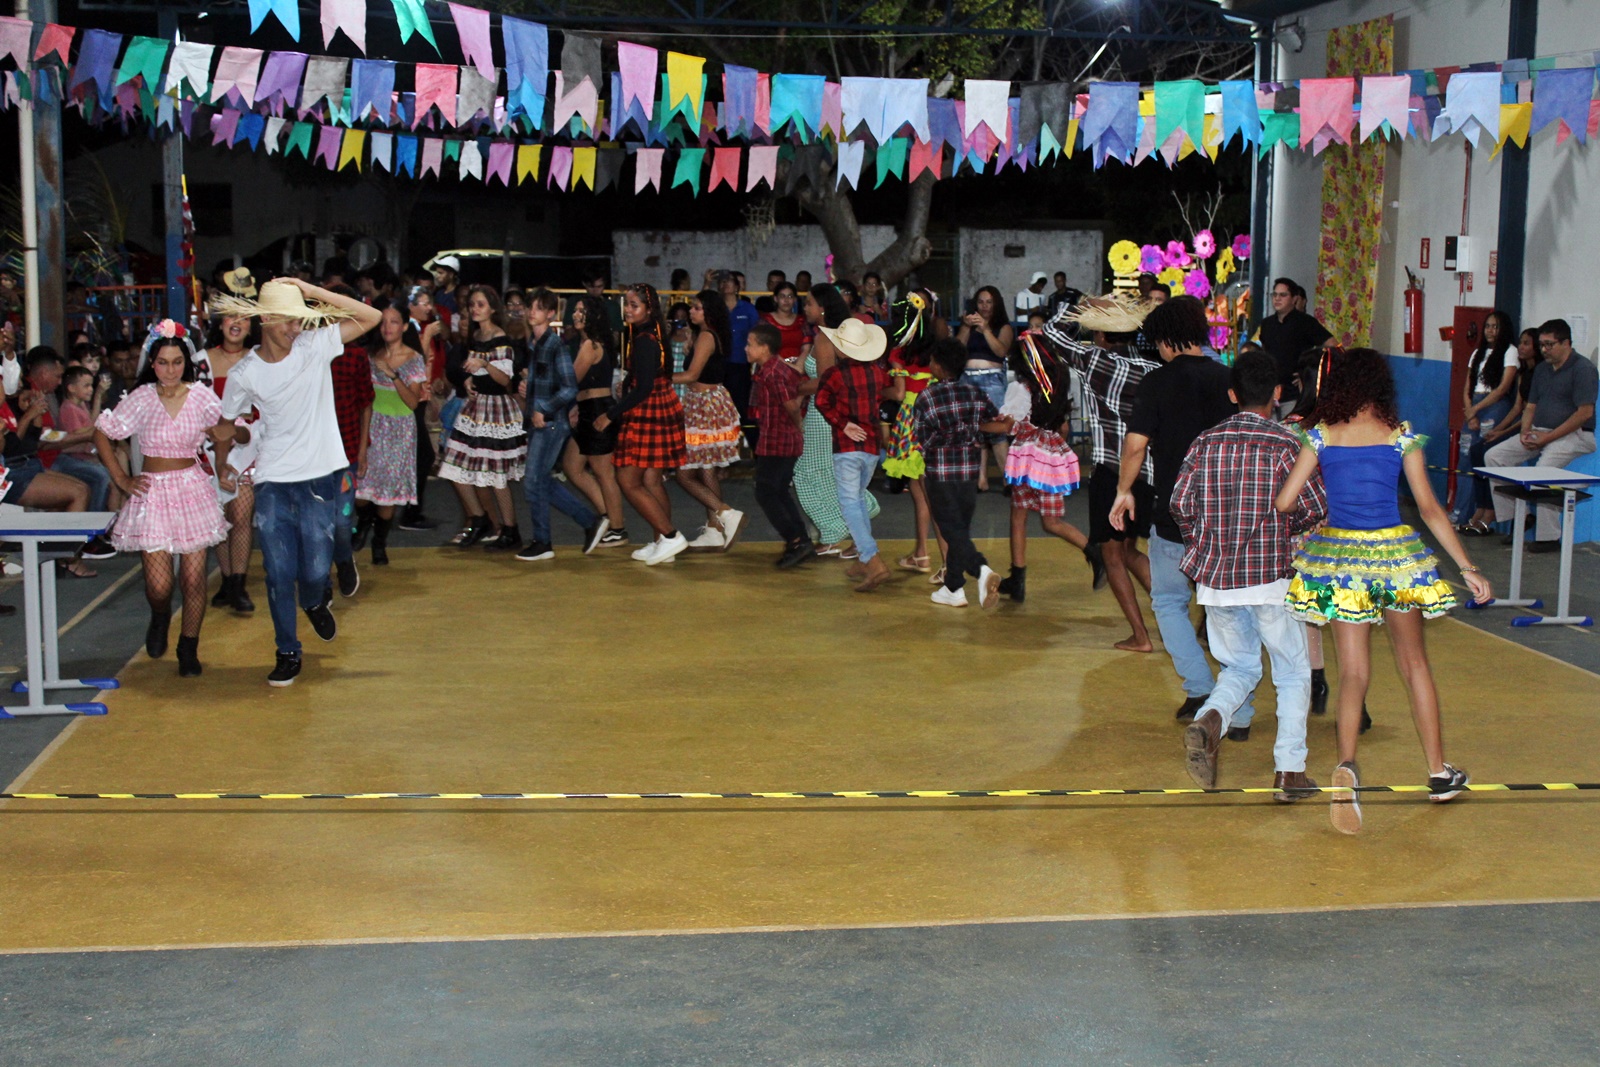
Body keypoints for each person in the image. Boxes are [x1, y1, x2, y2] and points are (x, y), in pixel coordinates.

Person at [1275, 347, 1489, 834]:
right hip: (1395, 559)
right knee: (1414, 666)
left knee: (1353, 673)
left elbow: (1286, 501)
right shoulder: (1400, 437)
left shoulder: (1322, 436)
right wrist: (1468, 566)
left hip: (1340, 560)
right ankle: (1438, 774)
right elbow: (1431, 510)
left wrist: (1327, 501)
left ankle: (1346, 766)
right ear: (1382, 387)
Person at [209, 278, 383, 687]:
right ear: (266, 319)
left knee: (316, 569)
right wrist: (222, 463)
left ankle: (314, 599)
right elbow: (224, 423)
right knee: (277, 571)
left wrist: (310, 290)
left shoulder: (315, 345)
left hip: (321, 477)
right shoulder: (245, 373)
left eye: (302, 321)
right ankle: (287, 650)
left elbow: (370, 316)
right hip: (273, 482)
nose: (297, 329)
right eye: (289, 322)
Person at [1169, 350, 1327, 799]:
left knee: (1238, 666)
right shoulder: (1287, 445)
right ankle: (1289, 773)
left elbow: (1180, 504)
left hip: (1216, 580)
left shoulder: (1205, 442)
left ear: (1232, 394)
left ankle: (1210, 720)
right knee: (1293, 670)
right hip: (1271, 576)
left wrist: (1206, 540)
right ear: (1278, 394)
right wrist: (1284, 529)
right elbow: (1314, 505)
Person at [1112, 296, 1242, 727]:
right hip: (1225, 513)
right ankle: (1236, 710)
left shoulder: (1155, 383)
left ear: (1166, 339)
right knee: (1227, 611)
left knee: (1169, 602)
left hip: (1174, 512)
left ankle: (1200, 690)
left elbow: (1135, 445)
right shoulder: (1230, 379)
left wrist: (1123, 491)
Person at [93, 323, 234, 677]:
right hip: (152, 492)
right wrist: (122, 479)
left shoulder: (202, 396)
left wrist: (222, 460)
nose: (170, 369)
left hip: (191, 490)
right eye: (162, 362)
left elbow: (224, 428)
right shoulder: (140, 398)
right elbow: (103, 433)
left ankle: (189, 645)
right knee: (159, 585)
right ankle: (159, 615)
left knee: (193, 579)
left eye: (176, 362)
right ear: (151, 364)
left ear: (185, 362)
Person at [1040, 294, 1160, 653]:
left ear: (1104, 336)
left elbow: (1051, 332)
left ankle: (1141, 636)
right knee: (1129, 552)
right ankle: (1177, 615)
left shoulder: (1095, 361)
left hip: (1113, 471)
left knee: (1112, 555)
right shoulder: (1151, 369)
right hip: (1147, 472)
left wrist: (1080, 304)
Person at [593, 284, 690, 565]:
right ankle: (662, 542)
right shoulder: (652, 331)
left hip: (650, 412)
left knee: (628, 479)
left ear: (648, 309)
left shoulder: (646, 337)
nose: (628, 309)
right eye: (626, 304)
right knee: (650, 479)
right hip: (661, 406)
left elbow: (644, 387)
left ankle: (671, 537)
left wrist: (610, 414)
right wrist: (629, 380)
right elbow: (647, 376)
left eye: (634, 305)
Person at [1483, 318, 1598, 550]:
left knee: (1542, 472)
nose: (1544, 349)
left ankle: (1549, 537)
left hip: (1575, 435)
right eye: (1542, 344)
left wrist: (1549, 437)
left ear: (1566, 343)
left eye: (1549, 344)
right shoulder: (1542, 370)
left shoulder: (1584, 369)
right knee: (1494, 457)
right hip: (1540, 431)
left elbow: (1584, 413)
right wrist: (1526, 432)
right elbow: (1531, 406)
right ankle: (1521, 516)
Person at [915, 339, 1013, 608]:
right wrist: (970, 430)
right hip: (969, 472)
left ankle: (982, 571)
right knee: (960, 529)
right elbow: (996, 423)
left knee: (952, 531)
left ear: (937, 365)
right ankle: (953, 587)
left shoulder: (927, 397)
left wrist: (947, 435)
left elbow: (922, 439)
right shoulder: (974, 393)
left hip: (940, 473)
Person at [997, 336, 1096, 603]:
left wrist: (979, 425)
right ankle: (1092, 550)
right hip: (1050, 455)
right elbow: (1063, 426)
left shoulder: (1021, 388)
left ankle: (1017, 577)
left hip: (1028, 456)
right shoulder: (1058, 383)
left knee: (1019, 515)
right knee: (1050, 520)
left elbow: (1008, 424)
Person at [516, 287, 606, 562]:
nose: (533, 312)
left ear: (551, 313)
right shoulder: (535, 344)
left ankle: (545, 541)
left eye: (539, 308)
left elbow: (569, 387)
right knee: (539, 481)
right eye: (530, 307)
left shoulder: (554, 346)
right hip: (543, 422)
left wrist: (542, 407)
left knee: (533, 481)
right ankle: (587, 522)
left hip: (551, 424)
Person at [437, 286, 528, 549]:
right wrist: (468, 380)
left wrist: (485, 365)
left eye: (480, 305)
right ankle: (480, 518)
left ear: (492, 309)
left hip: (496, 410)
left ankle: (510, 529)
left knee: (495, 474)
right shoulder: (476, 335)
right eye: (472, 305)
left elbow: (505, 380)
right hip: (476, 408)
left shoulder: (500, 338)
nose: (474, 309)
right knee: (454, 464)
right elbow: (474, 370)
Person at [814, 317, 892, 592]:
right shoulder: (877, 373)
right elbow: (890, 388)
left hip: (846, 447)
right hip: (871, 447)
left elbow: (821, 401)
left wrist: (842, 423)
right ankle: (863, 556)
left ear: (841, 349)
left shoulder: (834, 375)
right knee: (857, 500)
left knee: (849, 505)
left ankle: (872, 560)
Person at [355, 303, 427, 566]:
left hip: (399, 430)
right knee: (361, 491)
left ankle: (379, 542)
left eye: (394, 322)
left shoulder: (414, 358)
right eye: (383, 322)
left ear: (405, 326)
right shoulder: (368, 354)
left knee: (388, 493)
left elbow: (413, 403)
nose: (387, 327)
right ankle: (363, 522)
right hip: (371, 426)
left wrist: (394, 376)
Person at [672, 290, 745, 551]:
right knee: (706, 468)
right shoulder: (708, 334)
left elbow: (691, 374)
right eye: (693, 307)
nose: (691, 311)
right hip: (705, 403)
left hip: (704, 405)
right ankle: (715, 528)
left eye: (697, 308)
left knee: (684, 473)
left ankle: (725, 513)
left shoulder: (706, 335)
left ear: (709, 312)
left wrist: (657, 378)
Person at [197, 313, 260, 613]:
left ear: (251, 325)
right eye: (230, 317)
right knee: (218, 517)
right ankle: (225, 579)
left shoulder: (261, 360)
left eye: (244, 318)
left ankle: (238, 583)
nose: (236, 323)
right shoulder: (200, 361)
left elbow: (263, 409)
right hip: (207, 449)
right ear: (220, 324)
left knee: (242, 513)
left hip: (248, 446)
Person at [882, 289, 944, 577]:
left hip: (911, 421)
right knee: (921, 492)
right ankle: (921, 554)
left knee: (926, 494)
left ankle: (948, 564)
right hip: (935, 419)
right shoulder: (937, 349)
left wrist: (874, 392)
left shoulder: (899, 352)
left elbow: (898, 392)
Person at [562, 294, 629, 549]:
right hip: (587, 409)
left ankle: (618, 529)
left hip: (598, 411)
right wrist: (577, 406)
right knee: (572, 466)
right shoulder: (588, 343)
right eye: (576, 310)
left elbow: (571, 379)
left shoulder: (590, 344)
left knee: (604, 473)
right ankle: (607, 518)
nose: (577, 314)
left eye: (583, 311)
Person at [1460, 328, 1542, 534]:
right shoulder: (1523, 374)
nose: (1520, 347)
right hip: (1520, 426)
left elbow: (1531, 413)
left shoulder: (1542, 373)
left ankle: (1491, 512)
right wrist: (1499, 430)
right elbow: (1518, 408)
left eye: (1525, 343)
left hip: (1532, 429)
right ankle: (1482, 506)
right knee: (1477, 451)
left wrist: (1505, 432)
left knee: (1490, 455)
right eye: (1520, 342)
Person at [747, 322, 815, 567]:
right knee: (776, 490)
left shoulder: (773, 372)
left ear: (764, 348)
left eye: (750, 344)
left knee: (766, 491)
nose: (746, 348)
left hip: (779, 439)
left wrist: (797, 426)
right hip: (779, 438)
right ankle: (799, 539)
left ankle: (796, 538)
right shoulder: (773, 369)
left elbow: (791, 406)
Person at [794, 285, 855, 556]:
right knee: (830, 474)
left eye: (808, 303)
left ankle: (835, 529)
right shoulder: (837, 335)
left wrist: (795, 389)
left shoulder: (824, 338)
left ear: (822, 308)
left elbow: (825, 382)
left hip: (823, 414)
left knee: (806, 473)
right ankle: (844, 532)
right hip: (836, 412)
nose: (804, 308)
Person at [1453, 311, 1518, 529]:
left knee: (1482, 456)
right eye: (1488, 326)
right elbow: (1467, 387)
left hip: (1494, 406)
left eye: (1495, 326)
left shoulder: (1510, 352)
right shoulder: (1477, 353)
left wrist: (1476, 410)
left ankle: (1484, 512)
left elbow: (1502, 388)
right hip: (1475, 407)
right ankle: (1460, 513)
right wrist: (1470, 411)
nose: (1490, 330)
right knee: (1464, 459)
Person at [957, 286, 1014, 492]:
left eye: (989, 302)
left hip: (992, 380)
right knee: (974, 431)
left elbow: (1001, 350)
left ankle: (1008, 479)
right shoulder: (968, 325)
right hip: (967, 380)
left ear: (996, 304)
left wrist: (986, 330)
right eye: (981, 302)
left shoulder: (1003, 327)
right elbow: (957, 349)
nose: (984, 306)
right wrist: (965, 327)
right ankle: (981, 480)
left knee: (997, 431)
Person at [1256, 277, 1333, 406]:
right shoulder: (1267, 324)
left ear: (1294, 298)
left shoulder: (1306, 322)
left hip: (1295, 393)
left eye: (1283, 295)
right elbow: (1265, 352)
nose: (1277, 298)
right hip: (1270, 392)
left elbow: (1334, 346)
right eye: (1274, 294)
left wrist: (1312, 370)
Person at [720, 271, 761, 447]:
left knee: (743, 410)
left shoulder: (747, 309)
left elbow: (757, 334)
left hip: (740, 365)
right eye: (722, 282)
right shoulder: (716, 309)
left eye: (730, 281)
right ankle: (721, 456)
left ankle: (757, 452)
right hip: (718, 365)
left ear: (737, 287)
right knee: (719, 411)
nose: (726, 285)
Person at [760, 282, 808, 363]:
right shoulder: (766, 321)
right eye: (782, 296)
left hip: (799, 368)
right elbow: (762, 348)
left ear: (795, 299)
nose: (786, 300)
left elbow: (806, 349)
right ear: (775, 299)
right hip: (773, 368)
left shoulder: (802, 321)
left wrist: (798, 368)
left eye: (790, 296)